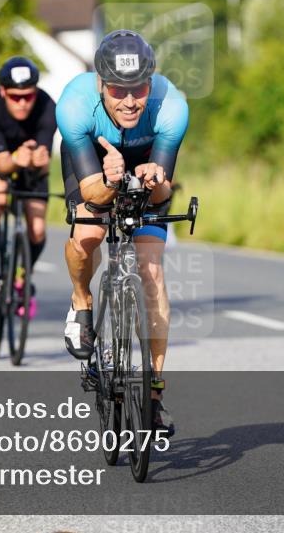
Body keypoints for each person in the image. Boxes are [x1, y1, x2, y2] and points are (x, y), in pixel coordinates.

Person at [56, 30, 188, 437]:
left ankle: (153, 394)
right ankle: (81, 302)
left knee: (151, 272)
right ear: (100, 83)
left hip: (147, 163)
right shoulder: (75, 107)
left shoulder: (172, 108)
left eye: (139, 89)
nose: (130, 101)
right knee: (89, 236)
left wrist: (155, 178)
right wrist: (111, 180)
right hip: (94, 163)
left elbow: (163, 192)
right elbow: (94, 192)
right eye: (118, 90)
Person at [0, 56, 56, 318]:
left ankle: (22, 276)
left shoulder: (47, 106)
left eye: (28, 97)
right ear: (3, 92)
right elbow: (1, 162)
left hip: (29, 165)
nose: (22, 103)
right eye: (15, 96)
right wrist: (17, 159)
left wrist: (38, 161)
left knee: (38, 227)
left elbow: (43, 163)